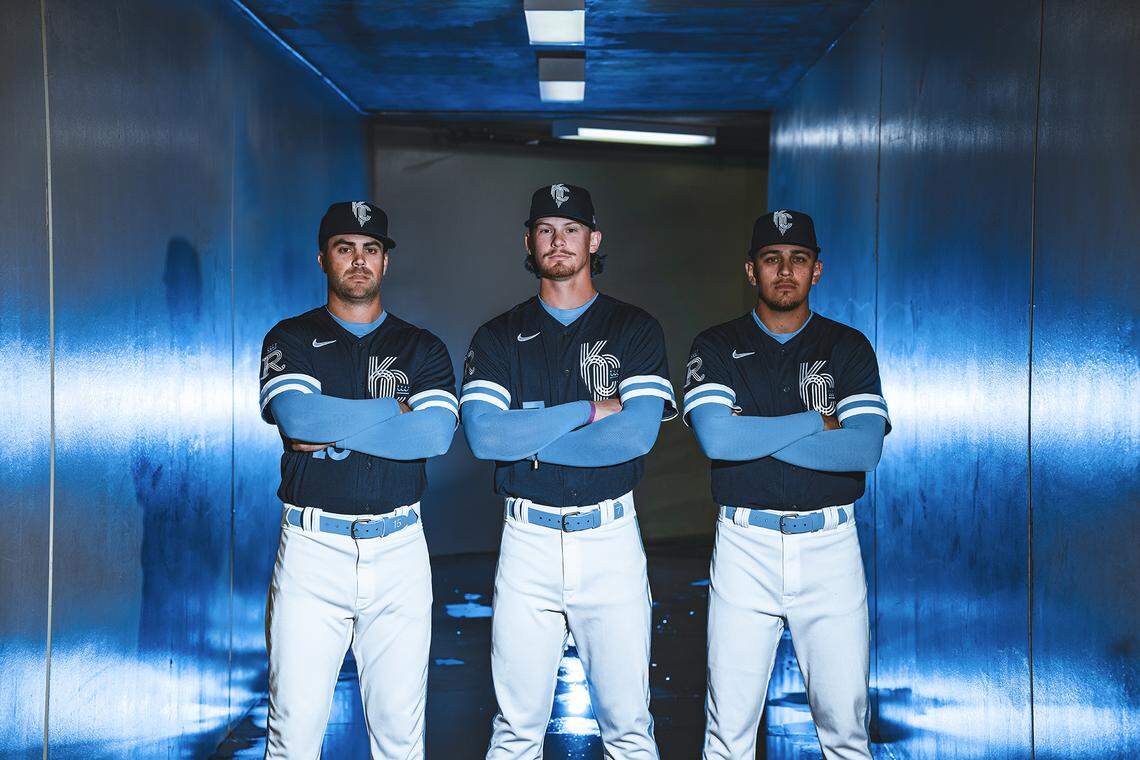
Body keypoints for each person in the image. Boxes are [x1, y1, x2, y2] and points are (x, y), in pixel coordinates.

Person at [460, 183, 675, 759]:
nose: (559, 241)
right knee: (515, 729)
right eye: (547, 229)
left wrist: (528, 436)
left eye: (572, 229)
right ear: (528, 241)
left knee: (629, 726)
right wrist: (583, 413)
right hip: (527, 539)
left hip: (609, 536)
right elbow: (485, 437)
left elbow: (635, 435)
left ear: (594, 239)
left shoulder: (634, 328)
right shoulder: (499, 336)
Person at [684, 209, 890, 759]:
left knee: (845, 730)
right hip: (744, 545)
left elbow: (862, 448)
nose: (785, 271)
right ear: (751, 270)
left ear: (816, 271)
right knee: (728, 731)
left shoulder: (847, 348)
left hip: (829, 547)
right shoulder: (716, 345)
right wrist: (812, 421)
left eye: (798, 260)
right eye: (772, 260)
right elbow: (718, 442)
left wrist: (752, 431)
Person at [257, 201, 458, 758]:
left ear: (385, 262)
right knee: (292, 732)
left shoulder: (422, 347)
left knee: (399, 735)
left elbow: (434, 436)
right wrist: (395, 408)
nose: (359, 260)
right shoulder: (290, 337)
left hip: (398, 548)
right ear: (323, 258)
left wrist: (336, 423)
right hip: (312, 549)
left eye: (371, 249)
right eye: (345, 248)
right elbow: (300, 421)